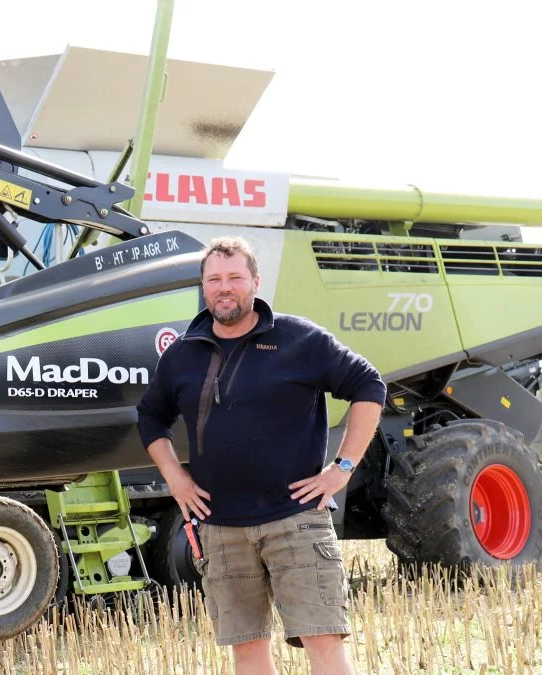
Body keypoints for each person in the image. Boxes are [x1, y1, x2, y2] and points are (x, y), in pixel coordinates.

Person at [135, 236, 385, 675]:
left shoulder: (298, 339)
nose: (224, 287)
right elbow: (150, 417)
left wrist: (341, 468)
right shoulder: (181, 355)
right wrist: (175, 479)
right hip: (220, 528)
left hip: (296, 519)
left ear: (255, 281)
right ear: (203, 286)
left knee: (323, 642)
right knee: (247, 652)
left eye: (234, 277)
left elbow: (369, 386)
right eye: (214, 279)